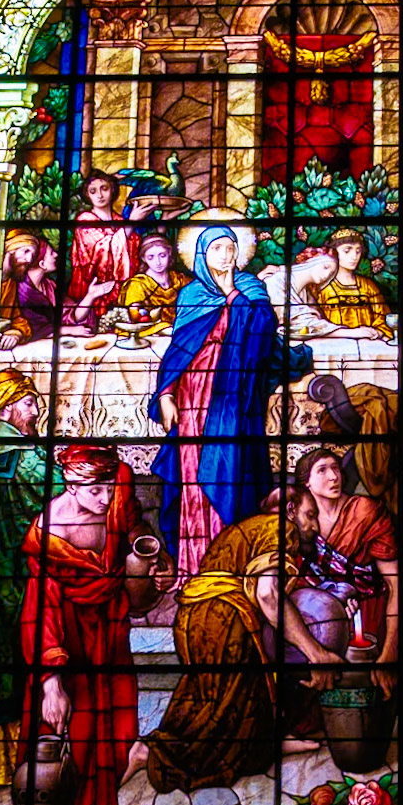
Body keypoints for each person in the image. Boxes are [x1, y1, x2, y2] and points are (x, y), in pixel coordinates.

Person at [18, 443, 172, 805]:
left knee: (117, 729)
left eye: (109, 487)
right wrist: (51, 682)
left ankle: (102, 801)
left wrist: (156, 569)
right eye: (95, 489)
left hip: (109, 627)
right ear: (70, 483)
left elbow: (135, 532)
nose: (106, 498)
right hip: (65, 642)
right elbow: (39, 613)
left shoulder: (116, 494)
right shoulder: (49, 535)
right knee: (77, 738)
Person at [130, 486, 345, 794]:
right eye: (310, 515)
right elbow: (268, 595)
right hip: (223, 618)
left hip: (198, 617)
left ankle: (268, 744)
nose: (314, 524)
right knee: (218, 712)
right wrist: (317, 653)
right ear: (289, 511)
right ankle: (153, 754)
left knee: (223, 696)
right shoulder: (280, 528)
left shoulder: (250, 528)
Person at [151, 226, 313, 581]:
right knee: (192, 475)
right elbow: (178, 351)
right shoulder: (191, 294)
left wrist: (234, 296)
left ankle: (232, 564)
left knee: (231, 469)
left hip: (235, 394)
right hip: (192, 395)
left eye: (230, 248)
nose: (225, 256)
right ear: (201, 255)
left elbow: (263, 333)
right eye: (217, 249)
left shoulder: (251, 289)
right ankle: (194, 566)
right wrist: (166, 394)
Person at [0, 370, 57, 788]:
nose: (36, 411)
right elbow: (62, 500)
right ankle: (15, 762)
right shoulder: (27, 459)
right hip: (20, 580)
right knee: (19, 665)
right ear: (5, 409)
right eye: (28, 403)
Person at [294, 445, 399, 668]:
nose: (334, 477)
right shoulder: (297, 522)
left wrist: (389, 654)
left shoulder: (365, 512)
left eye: (336, 468)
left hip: (369, 617)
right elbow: (294, 581)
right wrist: (333, 597)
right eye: (322, 470)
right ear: (306, 482)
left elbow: (395, 583)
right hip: (315, 618)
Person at [66, 169, 153, 331]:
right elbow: (100, 251)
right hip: (91, 293)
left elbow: (136, 253)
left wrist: (164, 222)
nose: (99, 195)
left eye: (104, 188)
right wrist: (132, 222)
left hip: (119, 294)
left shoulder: (120, 221)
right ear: (87, 195)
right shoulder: (85, 220)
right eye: (93, 191)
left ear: (113, 190)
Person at [258, 247, 382, 339]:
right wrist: (350, 333)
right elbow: (300, 323)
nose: (327, 275)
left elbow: (315, 324)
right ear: (309, 262)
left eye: (331, 273)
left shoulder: (306, 293)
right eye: (325, 267)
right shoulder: (276, 281)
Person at [313, 228, 392, 338]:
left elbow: (382, 317)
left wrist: (378, 332)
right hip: (330, 344)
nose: (354, 256)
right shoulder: (320, 286)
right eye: (347, 251)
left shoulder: (368, 286)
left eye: (358, 251)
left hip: (367, 344)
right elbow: (312, 324)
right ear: (333, 252)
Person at [118, 231, 190, 334]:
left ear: (169, 254)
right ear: (143, 258)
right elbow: (135, 318)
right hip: (148, 333)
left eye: (162, 255)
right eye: (151, 257)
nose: (158, 262)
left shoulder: (179, 279)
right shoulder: (138, 284)